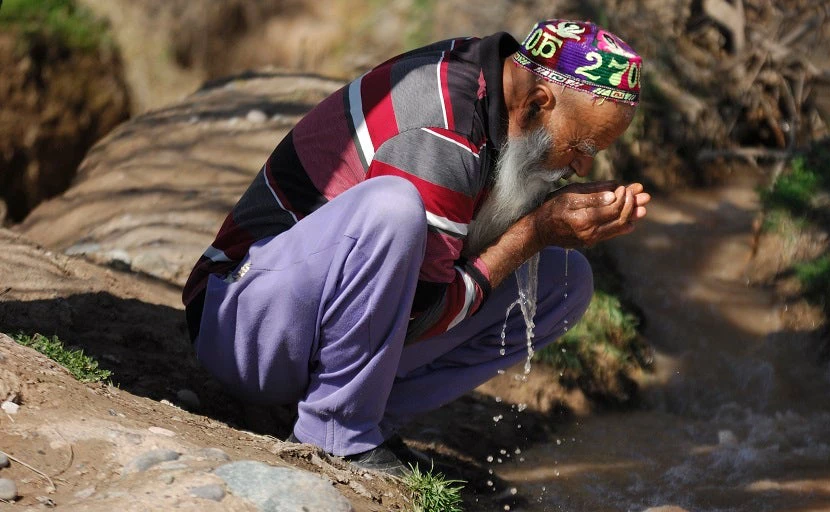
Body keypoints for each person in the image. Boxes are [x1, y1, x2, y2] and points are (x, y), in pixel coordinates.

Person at [182, 19, 650, 476]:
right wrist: (535, 231)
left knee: (564, 282)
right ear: (538, 102)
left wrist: (553, 215)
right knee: (394, 209)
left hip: (305, 325)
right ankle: (333, 430)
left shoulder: (499, 93)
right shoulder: (442, 128)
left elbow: (450, 254)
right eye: (580, 146)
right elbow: (420, 312)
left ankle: (367, 419)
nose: (584, 167)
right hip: (242, 327)